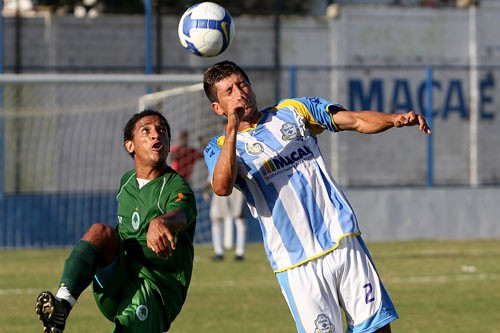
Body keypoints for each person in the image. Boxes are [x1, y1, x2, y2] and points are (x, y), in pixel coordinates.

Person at [202, 60, 432, 333]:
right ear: (217, 108)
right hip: (296, 262)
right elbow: (222, 186)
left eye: (242, 84)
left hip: (341, 240)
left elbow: (356, 120)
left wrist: (392, 120)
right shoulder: (219, 147)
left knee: (378, 329)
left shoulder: (292, 111)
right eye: (228, 91)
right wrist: (232, 128)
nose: (240, 93)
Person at [35, 110, 197, 333]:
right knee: (100, 232)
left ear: (169, 144)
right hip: (118, 281)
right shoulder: (126, 182)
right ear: (130, 146)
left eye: (162, 131)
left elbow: (182, 214)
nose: (156, 135)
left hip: (155, 288)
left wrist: (163, 222)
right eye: (146, 130)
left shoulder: (176, 186)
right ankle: (62, 306)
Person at [209, 189, 247, 261]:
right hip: (219, 183)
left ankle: (240, 252)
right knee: (216, 218)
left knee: (240, 218)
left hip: (237, 186)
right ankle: (218, 252)